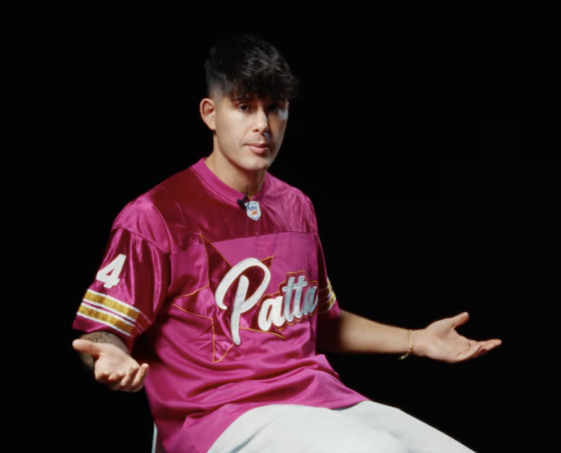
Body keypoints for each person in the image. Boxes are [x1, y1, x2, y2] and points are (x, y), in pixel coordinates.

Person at [71, 34, 501, 453]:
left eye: (274, 107)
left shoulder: (297, 206)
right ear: (210, 113)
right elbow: (104, 330)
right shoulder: (155, 214)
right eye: (244, 107)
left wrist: (417, 340)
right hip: (221, 416)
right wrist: (110, 355)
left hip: (317, 398)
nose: (262, 125)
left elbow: (323, 323)